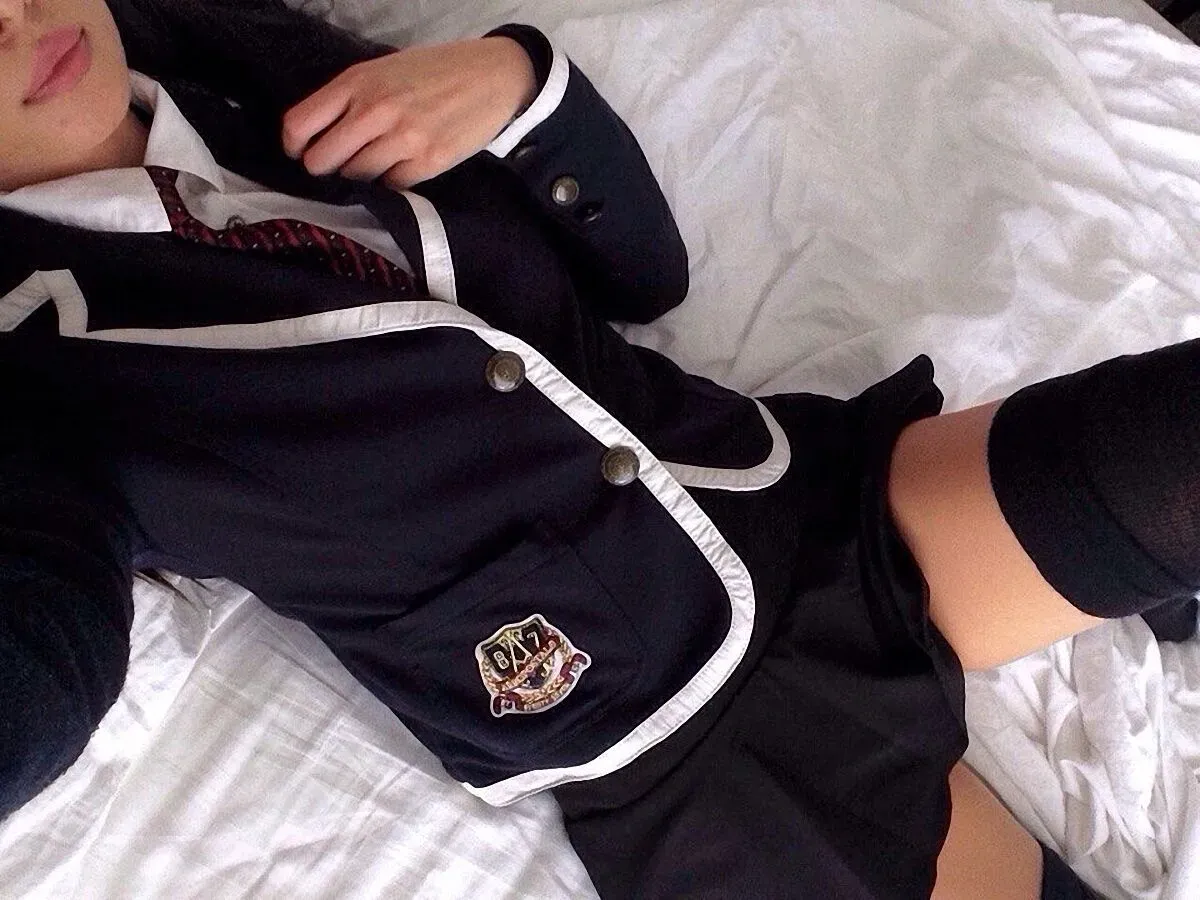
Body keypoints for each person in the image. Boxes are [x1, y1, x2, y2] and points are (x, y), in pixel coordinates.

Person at [0, 0, 1193, 896]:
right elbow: (40, 647)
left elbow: (645, 277)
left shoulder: (248, 77)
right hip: (700, 752)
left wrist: (522, 87)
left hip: (802, 504)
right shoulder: (36, 382)